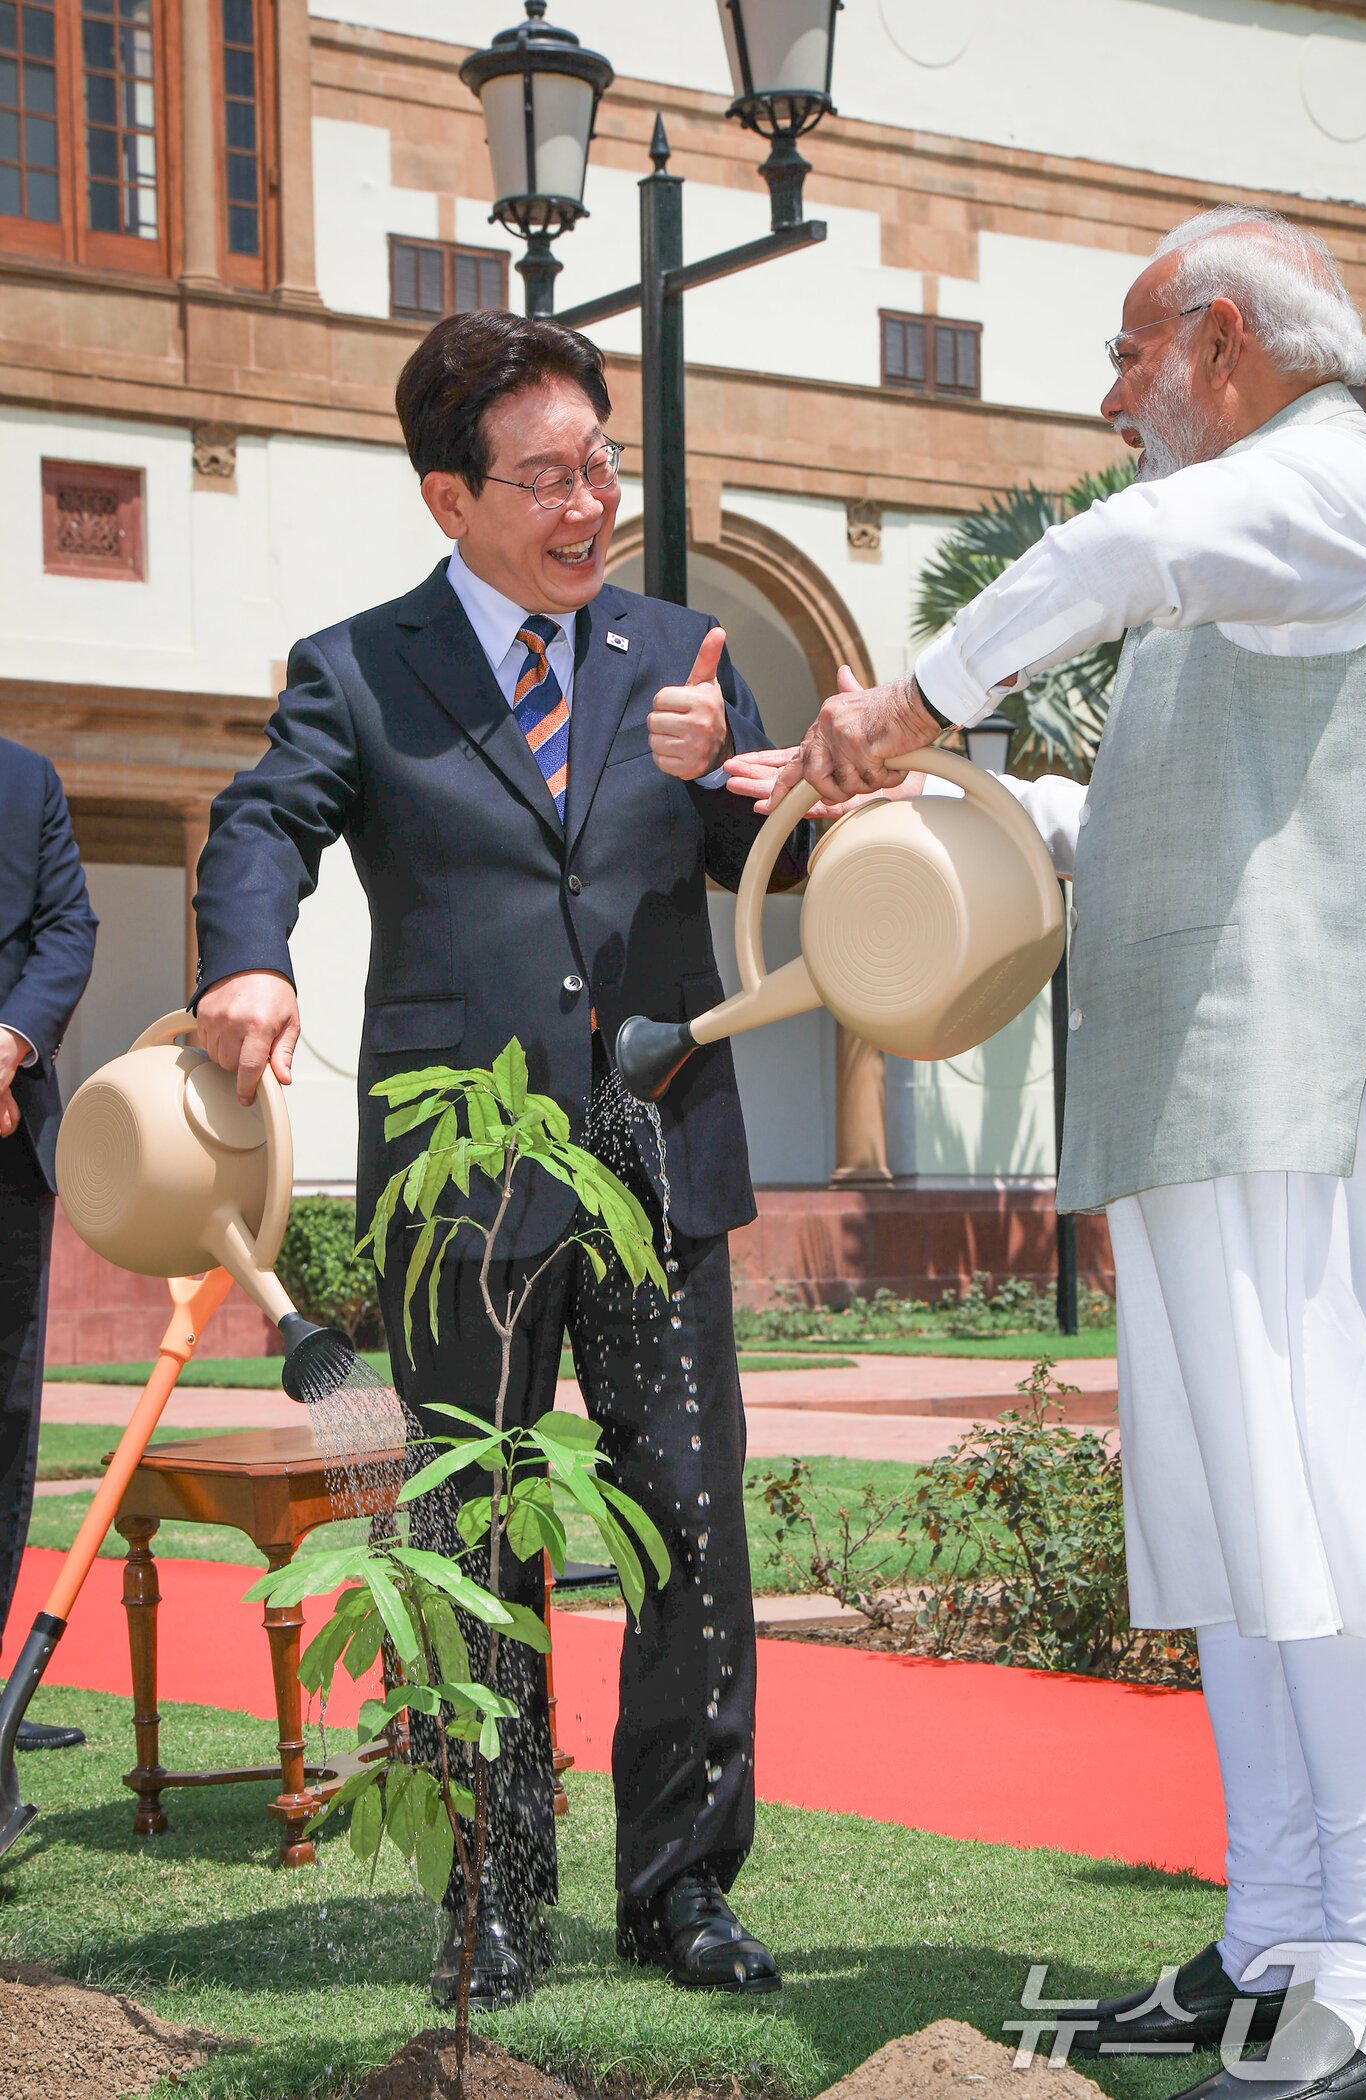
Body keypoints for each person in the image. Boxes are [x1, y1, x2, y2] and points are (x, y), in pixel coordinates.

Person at [741, 206, 1366, 2100]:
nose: (1113, 398)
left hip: (1298, 1105)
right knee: (1232, 1538)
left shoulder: (1337, 484)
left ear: (1223, 340)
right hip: (1201, 1107)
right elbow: (1144, 823)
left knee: (1326, 1532)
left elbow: (1117, 548)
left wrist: (911, 695)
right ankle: (1277, 1934)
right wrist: (947, 792)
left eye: (1129, 353)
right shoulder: (1254, 533)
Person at [193, 310, 807, 2009]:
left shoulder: (679, 652)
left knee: (687, 1524)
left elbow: (777, 852)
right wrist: (247, 960)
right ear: (449, 499)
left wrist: (735, 777)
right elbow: (261, 821)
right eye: (547, 477)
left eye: (601, 464)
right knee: (468, 1530)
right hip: (460, 1175)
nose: (589, 503)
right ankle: (501, 1890)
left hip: (656, 1151)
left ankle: (682, 1890)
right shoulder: (359, 666)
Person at [0, 737, 97, 1750]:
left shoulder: (26, 779)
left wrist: (11, 1039)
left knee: (5, 1415)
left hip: (6, 1144)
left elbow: (67, 926)